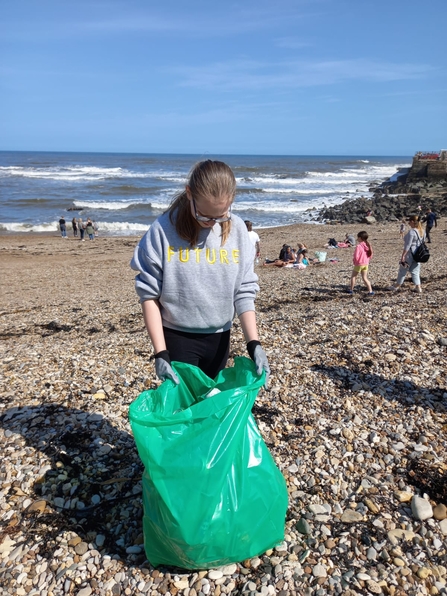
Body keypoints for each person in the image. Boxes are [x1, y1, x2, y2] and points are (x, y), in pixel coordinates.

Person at [131, 159, 270, 386]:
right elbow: (149, 295)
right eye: (205, 216)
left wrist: (254, 343)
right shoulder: (162, 231)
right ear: (189, 194)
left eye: (221, 215)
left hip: (220, 336)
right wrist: (160, 353)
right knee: (185, 411)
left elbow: (244, 291)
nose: (212, 223)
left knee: (209, 403)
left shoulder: (236, 229)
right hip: (177, 337)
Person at [388, 215, 424, 294]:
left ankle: (396, 286)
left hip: (410, 253)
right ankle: (418, 287)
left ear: (412, 222)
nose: (408, 222)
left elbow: (408, 245)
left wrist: (403, 255)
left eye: (409, 221)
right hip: (418, 254)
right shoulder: (422, 231)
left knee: (402, 270)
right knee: (415, 271)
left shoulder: (412, 232)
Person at [348, 231, 374, 295]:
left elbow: (356, 256)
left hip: (359, 264)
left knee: (353, 277)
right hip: (366, 264)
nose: (357, 239)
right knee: (365, 278)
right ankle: (370, 291)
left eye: (358, 237)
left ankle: (351, 290)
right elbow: (371, 254)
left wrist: (354, 261)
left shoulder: (359, 246)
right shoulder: (368, 245)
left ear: (360, 238)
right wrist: (367, 260)